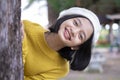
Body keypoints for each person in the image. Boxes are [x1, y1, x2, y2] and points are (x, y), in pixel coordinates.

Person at [22, 7, 101, 80]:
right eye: (76, 23)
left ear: (76, 46)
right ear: (65, 19)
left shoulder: (61, 68)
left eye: (80, 36)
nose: (74, 31)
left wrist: (22, 43)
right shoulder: (27, 26)